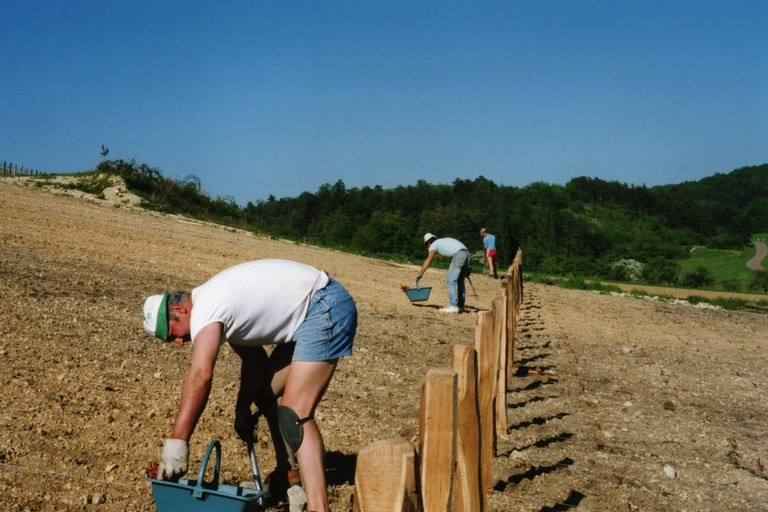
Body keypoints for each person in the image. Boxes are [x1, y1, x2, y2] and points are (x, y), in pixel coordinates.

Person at [141, 259, 357, 512]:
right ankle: (290, 475)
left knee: (295, 413)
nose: (178, 342)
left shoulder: (207, 311)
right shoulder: (219, 310)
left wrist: (177, 443)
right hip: (313, 309)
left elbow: (201, 375)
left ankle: (318, 508)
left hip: (323, 306)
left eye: (172, 333)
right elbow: (255, 362)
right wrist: (242, 407)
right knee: (267, 393)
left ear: (179, 309)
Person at [417, 233, 470, 313]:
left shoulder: (433, 245)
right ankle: (461, 306)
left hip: (459, 255)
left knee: (450, 281)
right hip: (467, 253)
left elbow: (429, 260)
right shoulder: (441, 241)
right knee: (460, 281)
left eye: (426, 245)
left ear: (428, 242)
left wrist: (420, 273)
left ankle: (453, 306)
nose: (428, 247)